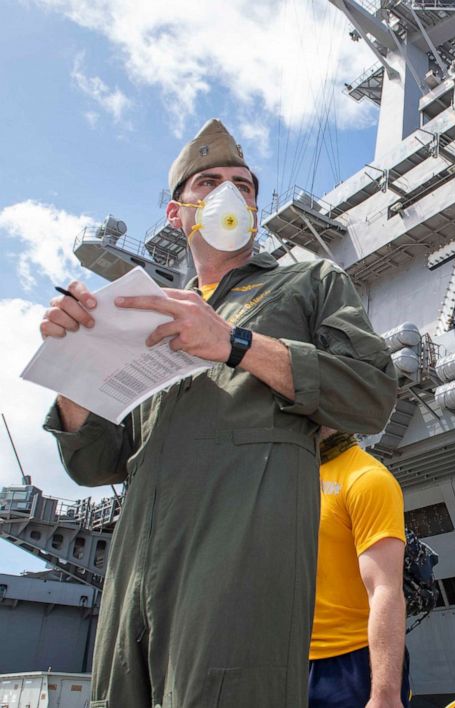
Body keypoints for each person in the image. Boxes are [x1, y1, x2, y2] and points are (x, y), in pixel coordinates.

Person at [40, 119, 397, 707]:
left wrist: (233, 343)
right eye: (207, 182)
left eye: (244, 185)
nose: (230, 193)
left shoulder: (309, 282)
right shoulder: (144, 318)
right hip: (136, 565)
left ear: (255, 211)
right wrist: (71, 371)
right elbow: (99, 463)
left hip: (241, 556)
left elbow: (371, 392)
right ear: (177, 215)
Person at [309, 430, 411, 708]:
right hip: (288, 662)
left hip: (350, 663)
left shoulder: (367, 479)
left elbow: (385, 589)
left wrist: (385, 695)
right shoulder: (288, 480)